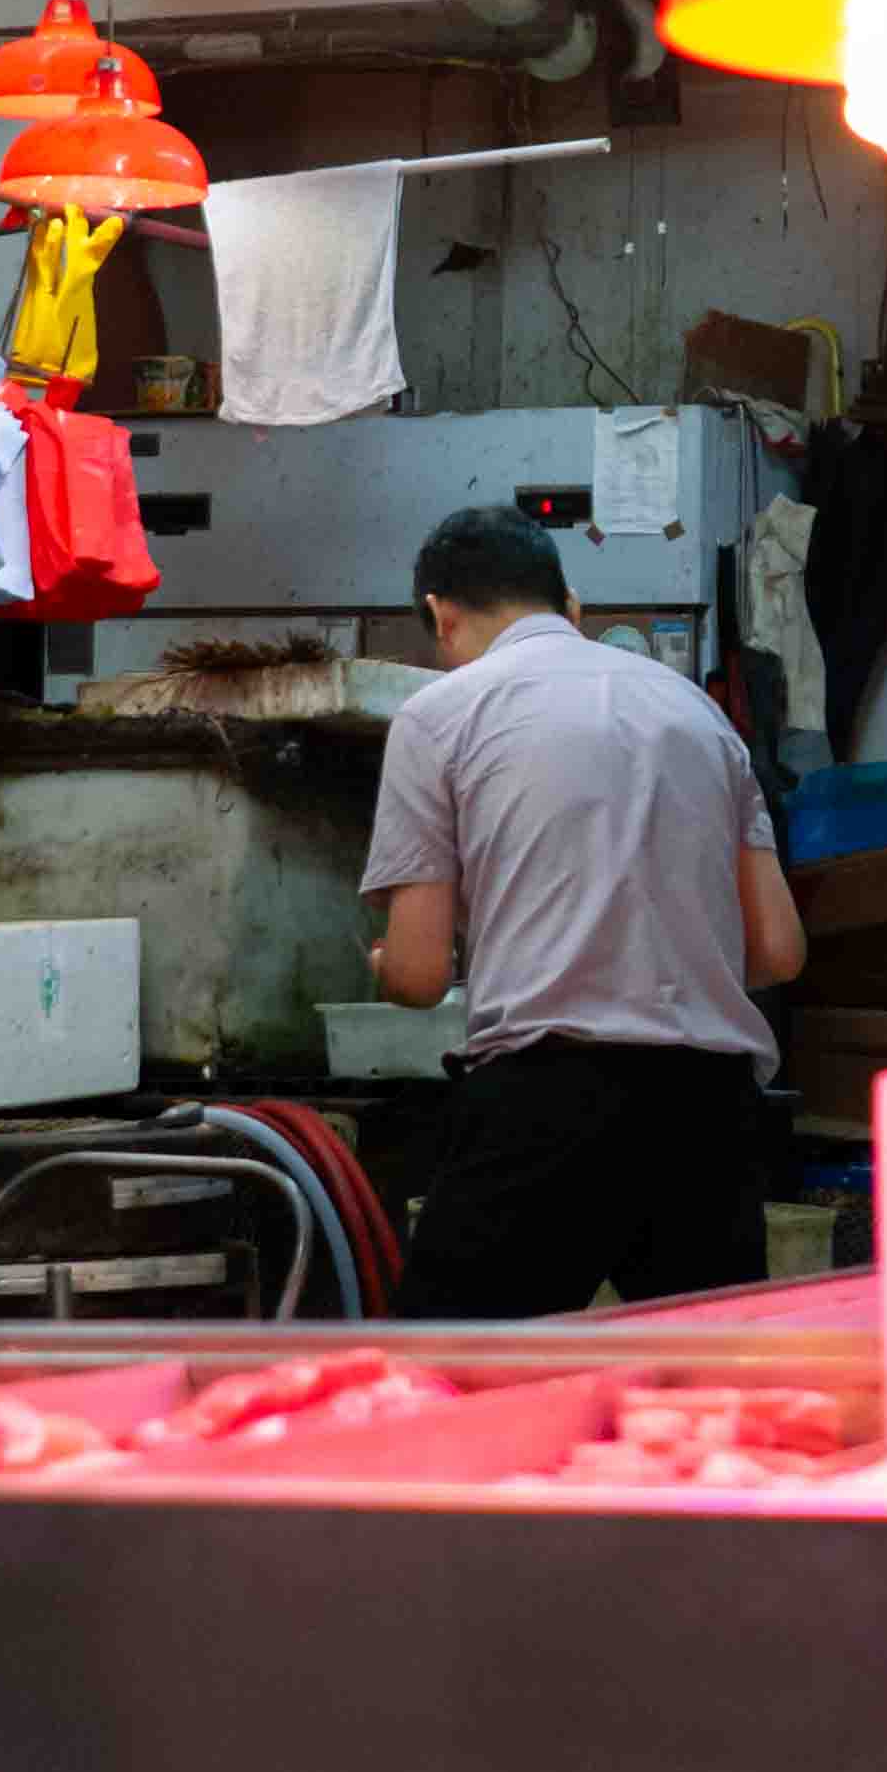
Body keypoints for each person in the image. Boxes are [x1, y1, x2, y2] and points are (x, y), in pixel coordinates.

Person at [360, 502, 805, 1318]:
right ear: (572, 607)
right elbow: (777, 949)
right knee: (710, 1399)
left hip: (546, 1107)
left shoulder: (439, 715)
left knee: (445, 1386)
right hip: (708, 1111)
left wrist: (389, 965)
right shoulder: (699, 715)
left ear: (439, 614)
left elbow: (422, 977)